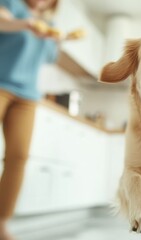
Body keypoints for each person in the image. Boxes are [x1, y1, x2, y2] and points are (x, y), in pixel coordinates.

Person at [0, 0, 59, 239]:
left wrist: (54, 37)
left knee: (19, 157)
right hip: (1, 85)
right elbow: (2, 23)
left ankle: (1, 222)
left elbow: (49, 58)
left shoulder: (51, 24)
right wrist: (26, 24)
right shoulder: (12, 5)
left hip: (27, 95)